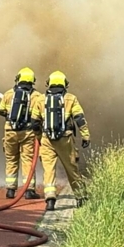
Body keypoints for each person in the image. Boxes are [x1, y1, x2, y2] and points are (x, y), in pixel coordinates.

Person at [33, 70, 90, 211]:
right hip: (65, 139)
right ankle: (81, 197)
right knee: (72, 168)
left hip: (47, 139)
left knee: (48, 171)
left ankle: (50, 200)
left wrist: (40, 138)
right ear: (65, 84)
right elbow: (79, 118)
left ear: (49, 84)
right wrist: (85, 136)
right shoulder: (71, 99)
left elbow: (34, 122)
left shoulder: (40, 99)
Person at [0, 67, 44, 199]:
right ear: (32, 81)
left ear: (18, 79)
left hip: (10, 131)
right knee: (28, 160)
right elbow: (40, 115)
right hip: (28, 133)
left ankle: (10, 190)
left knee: (11, 160)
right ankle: (29, 190)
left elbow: (1, 110)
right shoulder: (37, 96)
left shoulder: (8, 94)